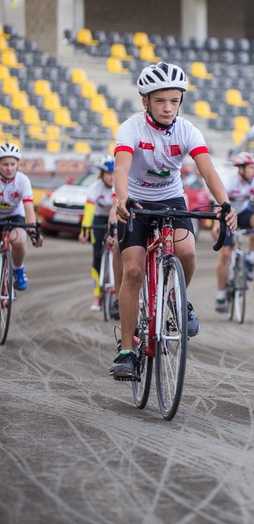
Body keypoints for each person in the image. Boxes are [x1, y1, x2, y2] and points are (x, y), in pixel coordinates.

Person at [110, 62, 237, 380]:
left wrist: (223, 203)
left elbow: (208, 171)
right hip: (135, 199)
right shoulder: (131, 128)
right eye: (160, 101)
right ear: (146, 102)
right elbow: (121, 169)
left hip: (170, 199)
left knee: (189, 253)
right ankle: (127, 350)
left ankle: (175, 297)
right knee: (134, 270)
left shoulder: (188, 130)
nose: (168, 108)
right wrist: (120, 198)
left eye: (174, 101)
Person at [212, 152, 254, 313]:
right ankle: (220, 294)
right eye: (251, 167)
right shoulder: (229, 182)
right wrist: (215, 225)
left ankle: (250, 260)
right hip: (226, 215)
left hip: (243, 213)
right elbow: (218, 204)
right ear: (241, 169)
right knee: (226, 254)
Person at [0, 142, 42, 291]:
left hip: (15, 215)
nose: (9, 168)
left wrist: (32, 231)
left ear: (18, 163)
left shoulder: (23, 180)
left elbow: (29, 207)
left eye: (12, 164)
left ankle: (18, 269)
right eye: (5, 164)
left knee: (18, 240)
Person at [79, 156, 116, 311]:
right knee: (97, 257)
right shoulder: (95, 187)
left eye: (114, 173)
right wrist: (85, 230)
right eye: (108, 173)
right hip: (99, 219)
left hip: (114, 218)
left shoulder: (117, 186)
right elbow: (89, 211)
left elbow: (116, 208)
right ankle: (97, 295)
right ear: (101, 174)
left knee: (117, 251)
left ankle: (115, 286)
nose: (111, 177)